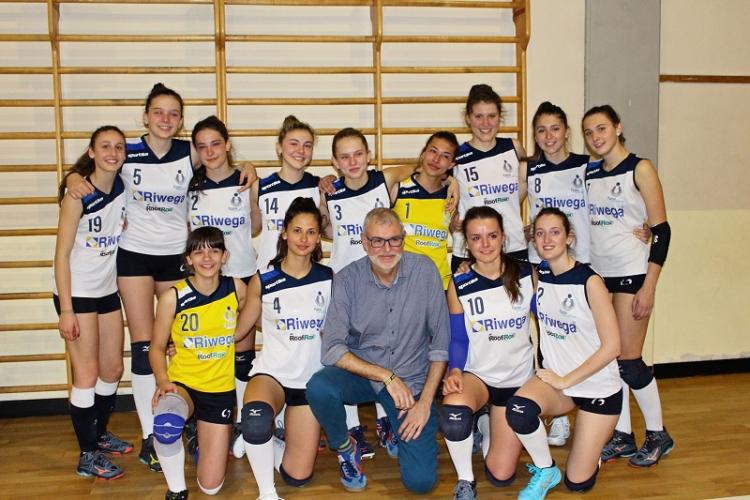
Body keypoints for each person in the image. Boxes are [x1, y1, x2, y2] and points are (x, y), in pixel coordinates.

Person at [64, 83, 254, 471]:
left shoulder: (188, 152)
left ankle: (188, 417)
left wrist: (249, 167)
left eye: (173, 113)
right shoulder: (127, 151)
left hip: (175, 258)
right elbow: (87, 172)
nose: (165, 119)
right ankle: (151, 434)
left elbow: (222, 160)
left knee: (177, 343)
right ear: (145, 116)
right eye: (158, 112)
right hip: (134, 257)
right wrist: (70, 179)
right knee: (143, 345)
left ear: (180, 121)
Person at [306, 207, 449, 494]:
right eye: (377, 241)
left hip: (411, 381)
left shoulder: (425, 271)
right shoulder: (347, 279)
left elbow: (440, 346)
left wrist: (424, 404)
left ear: (403, 239)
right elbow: (331, 348)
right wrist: (385, 376)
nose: (386, 249)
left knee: (420, 483)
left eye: (394, 240)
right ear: (364, 241)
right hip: (365, 376)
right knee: (319, 387)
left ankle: (398, 427)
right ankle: (345, 448)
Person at [506, 207, 622, 500]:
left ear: (569, 238)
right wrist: (465, 266)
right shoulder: (540, 274)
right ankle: (546, 470)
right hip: (560, 384)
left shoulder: (590, 281)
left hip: (598, 388)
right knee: (518, 410)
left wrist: (565, 380)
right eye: (540, 233)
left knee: (577, 483)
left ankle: (593, 451)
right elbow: (495, 265)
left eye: (555, 232)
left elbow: (613, 347)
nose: (547, 240)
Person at [583, 105, 673, 467]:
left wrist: (649, 287)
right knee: (611, 361)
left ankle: (658, 434)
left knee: (629, 360)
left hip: (633, 276)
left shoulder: (641, 168)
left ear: (618, 128)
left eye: (601, 128)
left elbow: (662, 231)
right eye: (589, 132)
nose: (596, 137)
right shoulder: (590, 174)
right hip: (600, 277)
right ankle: (622, 436)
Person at [321, 127, 419, 459]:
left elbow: (420, 168)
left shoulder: (383, 180)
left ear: (369, 155)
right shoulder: (330, 192)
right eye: (344, 157)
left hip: (383, 283)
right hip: (346, 287)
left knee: (383, 352)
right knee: (348, 355)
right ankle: (353, 429)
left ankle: (385, 421)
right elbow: (326, 227)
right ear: (335, 162)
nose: (352, 162)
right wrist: (323, 186)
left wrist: (452, 185)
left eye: (358, 154)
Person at [233, 197, 332, 500]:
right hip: (272, 375)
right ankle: (267, 492)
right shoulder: (264, 280)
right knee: (255, 418)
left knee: (297, 476)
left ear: (319, 237)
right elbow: (239, 331)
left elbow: (338, 332)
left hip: (309, 382)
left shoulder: (328, 279)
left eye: (311, 232)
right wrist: (187, 346)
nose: (304, 239)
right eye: (297, 231)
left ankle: (265, 442)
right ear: (284, 233)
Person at [440, 206, 534, 500]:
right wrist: (455, 370)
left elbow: (548, 316)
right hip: (479, 377)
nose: (485, 244)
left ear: (503, 237)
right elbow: (458, 338)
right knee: (454, 413)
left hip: (517, 382)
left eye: (492, 236)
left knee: (501, 475)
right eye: (476, 238)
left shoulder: (527, 274)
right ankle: (465, 480)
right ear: (466, 243)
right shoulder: (459, 283)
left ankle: (485, 423)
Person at [53, 126, 131, 480]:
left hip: (105, 290)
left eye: (119, 147)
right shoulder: (78, 195)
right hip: (77, 293)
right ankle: (87, 454)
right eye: (105, 147)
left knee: (112, 369)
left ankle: (98, 435)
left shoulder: (122, 187)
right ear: (91, 152)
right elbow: (61, 255)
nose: (113, 153)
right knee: (86, 374)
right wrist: (67, 310)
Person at [149, 226, 247, 500]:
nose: (207, 258)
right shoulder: (173, 297)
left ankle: (198, 434)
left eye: (214, 250)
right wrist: (162, 380)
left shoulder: (236, 289)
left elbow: (258, 315)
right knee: (166, 424)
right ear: (188, 259)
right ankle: (176, 490)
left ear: (225, 256)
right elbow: (156, 348)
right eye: (199, 251)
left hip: (219, 391)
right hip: (184, 384)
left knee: (211, 487)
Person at [188, 115, 261, 458]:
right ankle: (207, 421)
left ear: (227, 144)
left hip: (241, 275)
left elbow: (256, 225)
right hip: (204, 282)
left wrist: (252, 178)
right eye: (202, 146)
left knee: (242, 354)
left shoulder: (245, 180)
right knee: (209, 354)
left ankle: (243, 421)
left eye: (215, 143)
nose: (210, 151)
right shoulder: (190, 186)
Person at [450, 84, 528, 272]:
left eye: (491, 116)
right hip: (470, 251)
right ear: (468, 118)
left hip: (512, 246)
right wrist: (452, 222)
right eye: (478, 116)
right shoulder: (456, 157)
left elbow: (523, 188)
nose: (485, 123)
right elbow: (447, 203)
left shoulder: (514, 148)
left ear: (500, 117)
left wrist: (508, 209)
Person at [392, 131, 460, 289]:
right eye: (433, 151)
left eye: (445, 156)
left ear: (451, 164)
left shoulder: (452, 196)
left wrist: (457, 225)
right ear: (423, 153)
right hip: (403, 283)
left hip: (439, 283)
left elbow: (455, 228)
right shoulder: (398, 189)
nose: (436, 159)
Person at [253, 115, 320, 273]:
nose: (301, 151)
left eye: (307, 145)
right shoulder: (259, 187)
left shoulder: (320, 187)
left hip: (305, 276)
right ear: (279, 148)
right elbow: (252, 229)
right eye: (293, 144)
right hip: (268, 273)